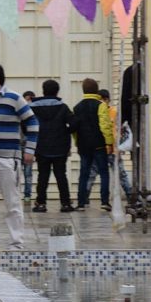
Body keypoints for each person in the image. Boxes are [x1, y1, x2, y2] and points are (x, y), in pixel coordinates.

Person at [0, 62, 39, 249]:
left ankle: (16, 244)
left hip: (7, 159)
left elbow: (33, 123)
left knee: (12, 203)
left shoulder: (14, 98)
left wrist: (29, 150)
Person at [29, 79, 75, 213]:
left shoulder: (33, 108)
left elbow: (26, 124)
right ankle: (65, 203)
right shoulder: (63, 107)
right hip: (60, 146)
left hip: (41, 145)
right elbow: (74, 123)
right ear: (57, 91)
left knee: (42, 175)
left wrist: (33, 136)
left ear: (43, 91)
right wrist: (65, 132)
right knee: (61, 175)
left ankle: (41, 203)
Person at [72, 77, 114, 212]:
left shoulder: (77, 107)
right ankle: (104, 202)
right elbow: (105, 126)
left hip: (83, 145)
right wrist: (109, 143)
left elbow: (75, 128)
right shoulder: (101, 105)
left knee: (84, 173)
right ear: (96, 90)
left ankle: (81, 203)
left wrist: (77, 142)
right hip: (99, 145)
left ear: (83, 90)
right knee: (104, 173)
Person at [99, 89, 132, 199]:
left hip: (114, 148)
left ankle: (130, 195)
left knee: (121, 174)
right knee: (92, 174)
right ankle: (84, 200)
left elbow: (121, 129)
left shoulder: (115, 112)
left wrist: (121, 145)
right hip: (100, 148)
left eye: (102, 100)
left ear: (107, 100)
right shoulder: (97, 111)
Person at [21, 90, 36, 200]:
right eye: (27, 100)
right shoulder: (19, 112)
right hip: (19, 144)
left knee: (28, 171)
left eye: (31, 100)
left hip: (29, 145)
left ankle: (27, 194)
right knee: (16, 171)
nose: (29, 102)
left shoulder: (35, 114)